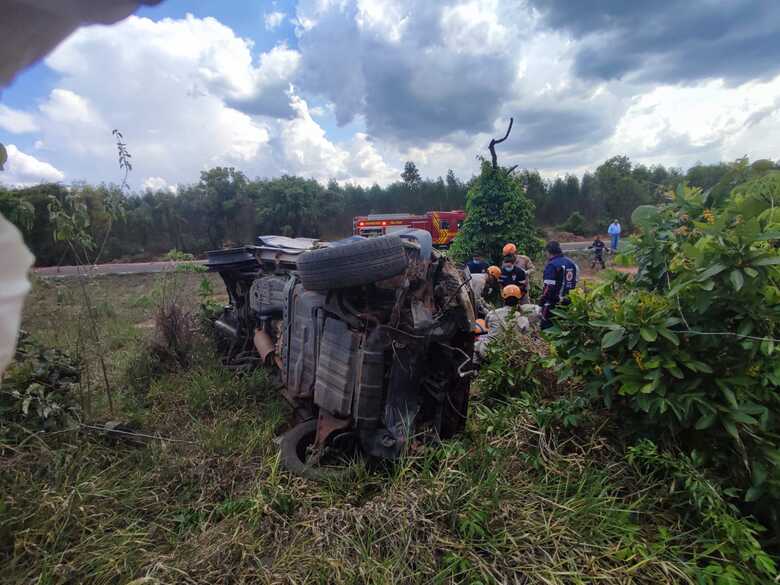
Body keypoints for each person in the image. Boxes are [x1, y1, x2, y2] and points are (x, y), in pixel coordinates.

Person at [474, 284, 531, 358]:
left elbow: (487, 326)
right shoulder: (523, 319)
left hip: (489, 351)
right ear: (519, 300)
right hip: (510, 354)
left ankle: (474, 364)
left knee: (476, 346)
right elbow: (525, 335)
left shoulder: (492, 313)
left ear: (503, 299)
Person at [539, 241, 578, 330]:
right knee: (564, 328)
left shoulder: (552, 265)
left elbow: (548, 287)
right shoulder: (571, 263)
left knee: (547, 329)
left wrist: (541, 303)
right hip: (568, 302)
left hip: (553, 303)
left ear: (548, 251)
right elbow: (574, 282)